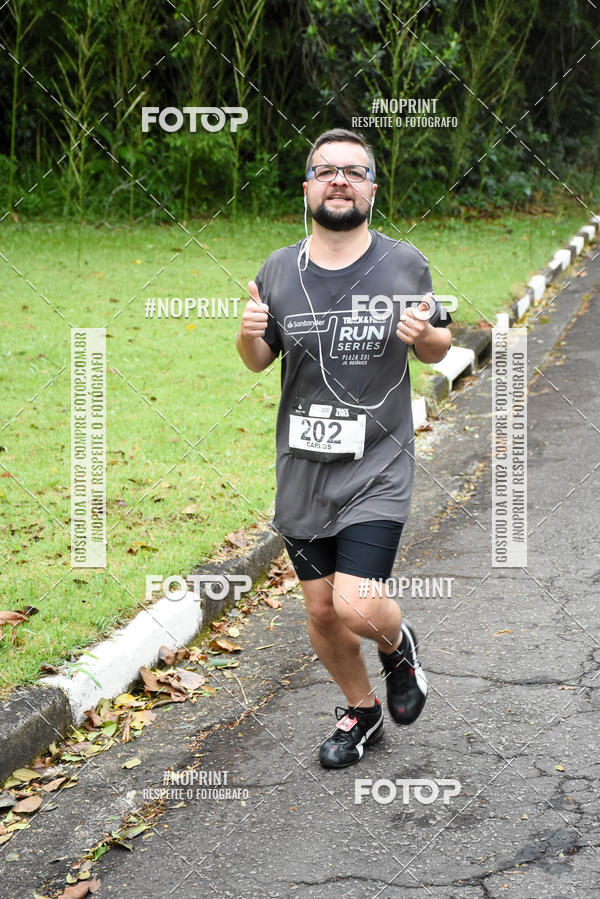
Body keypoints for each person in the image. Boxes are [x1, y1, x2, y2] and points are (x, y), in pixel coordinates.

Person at [236, 128, 452, 768]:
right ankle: (361, 712)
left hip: (377, 463)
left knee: (357, 602)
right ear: (307, 187)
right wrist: (247, 334)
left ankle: (398, 646)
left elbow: (439, 344)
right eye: (325, 170)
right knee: (322, 611)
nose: (339, 180)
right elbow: (257, 361)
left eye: (353, 171)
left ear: (371, 190)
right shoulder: (278, 270)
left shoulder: (404, 264)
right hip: (302, 468)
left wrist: (426, 336)